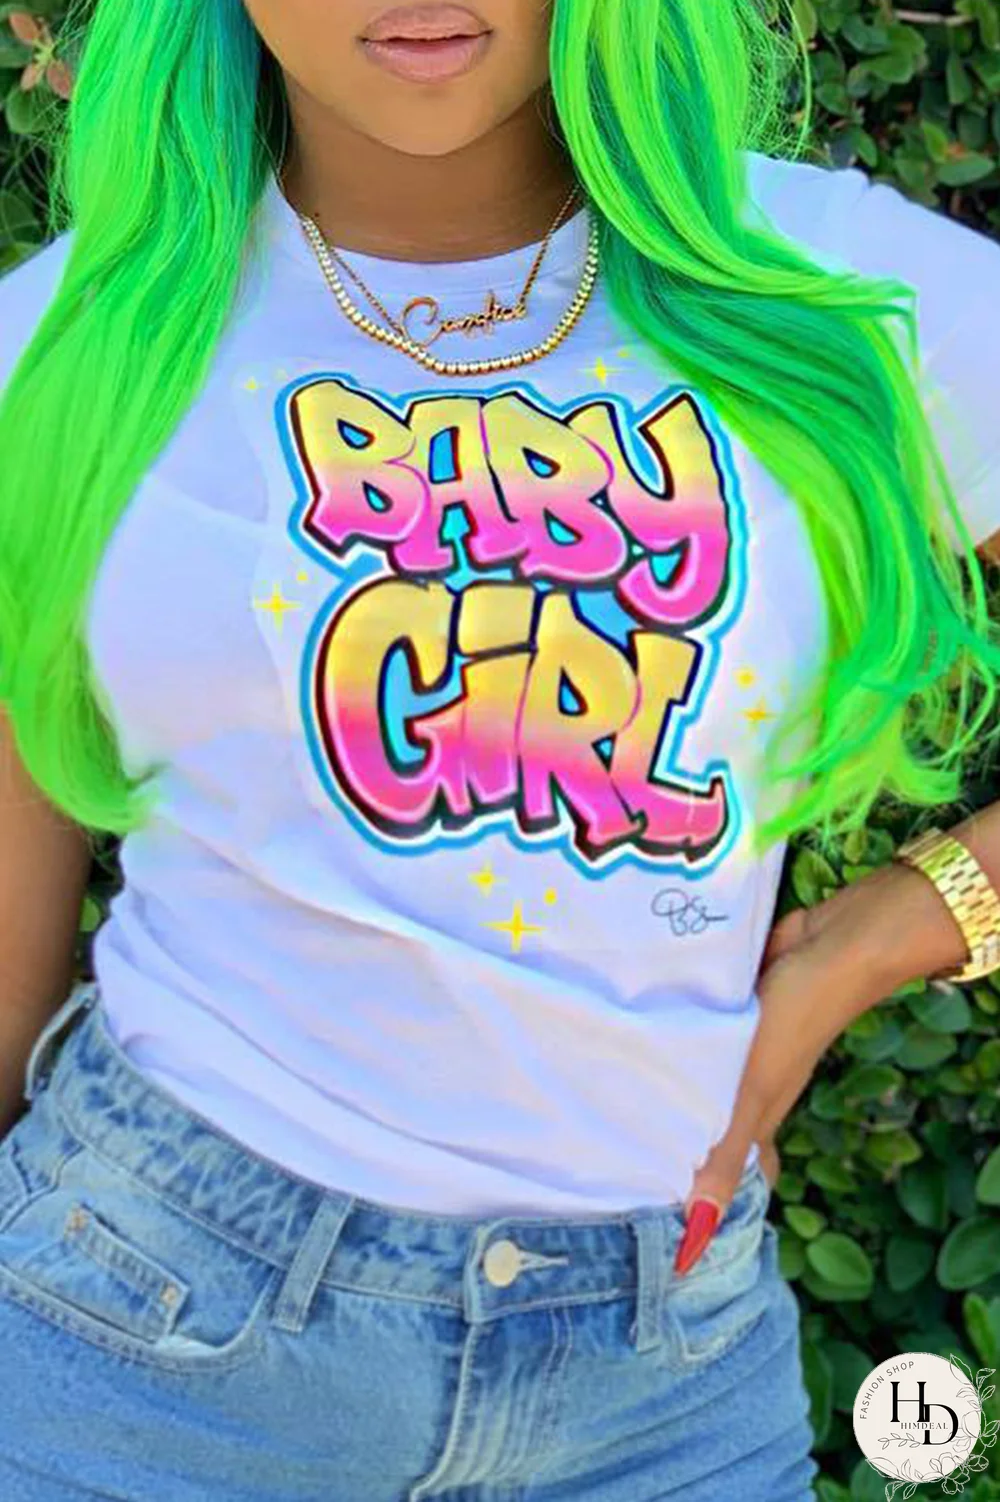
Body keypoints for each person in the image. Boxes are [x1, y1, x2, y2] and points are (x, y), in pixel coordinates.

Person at [0, 0, 999, 1496]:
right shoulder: (72, 342)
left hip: (668, 1375)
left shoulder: (838, 293)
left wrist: (887, 935)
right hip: (144, 1322)